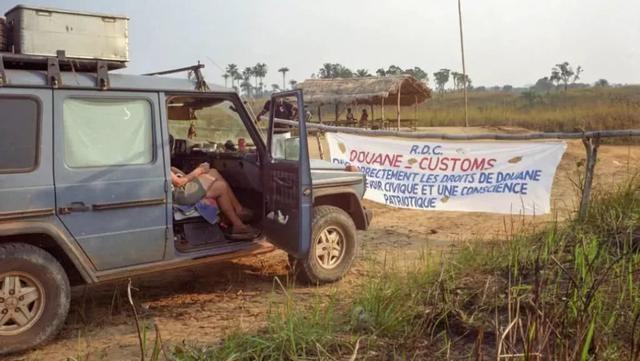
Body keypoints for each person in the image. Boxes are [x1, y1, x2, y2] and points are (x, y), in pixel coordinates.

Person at [171, 162, 258, 238]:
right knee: (220, 186)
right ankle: (238, 222)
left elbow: (183, 178)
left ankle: (238, 211)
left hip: (182, 190)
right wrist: (199, 170)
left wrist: (198, 171)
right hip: (181, 194)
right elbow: (179, 182)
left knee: (214, 173)